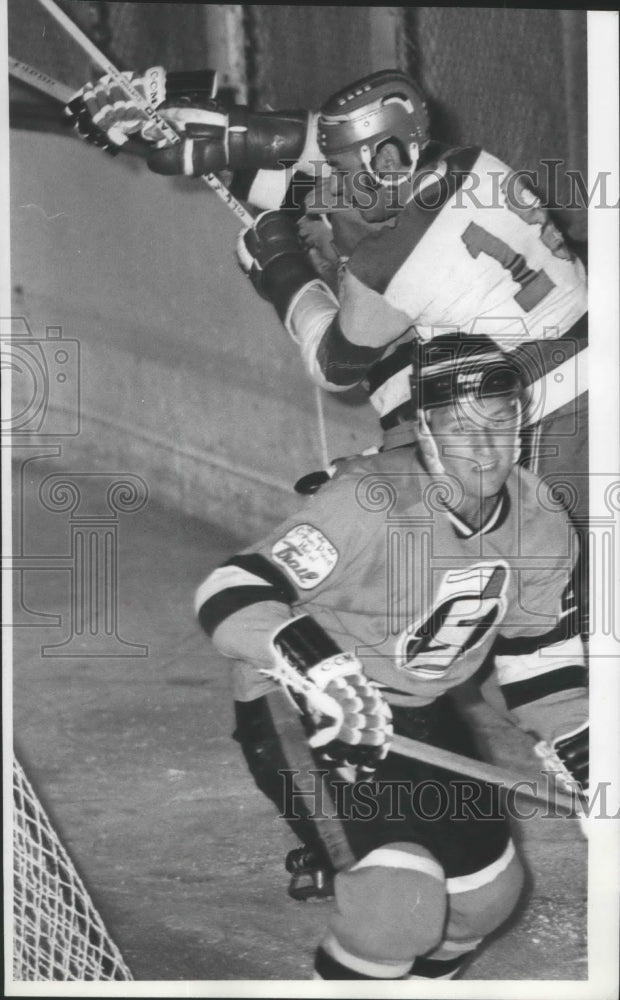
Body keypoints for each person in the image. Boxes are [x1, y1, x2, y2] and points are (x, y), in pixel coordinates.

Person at [193, 332, 588, 981]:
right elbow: (232, 587)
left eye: (500, 421)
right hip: (307, 707)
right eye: (461, 428)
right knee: (397, 905)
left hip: (420, 709)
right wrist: (315, 666)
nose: (485, 447)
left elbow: (535, 657)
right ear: (424, 429)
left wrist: (581, 738)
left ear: (521, 421)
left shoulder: (541, 520)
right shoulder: (370, 499)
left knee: (486, 902)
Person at [66, 68, 588, 525]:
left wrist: (283, 272)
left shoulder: (389, 269)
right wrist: (208, 135)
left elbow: (334, 363)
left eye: (340, 168)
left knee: (558, 591)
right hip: (580, 363)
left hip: (549, 413)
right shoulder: (469, 165)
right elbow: (325, 170)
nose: (330, 181)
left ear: (384, 155)